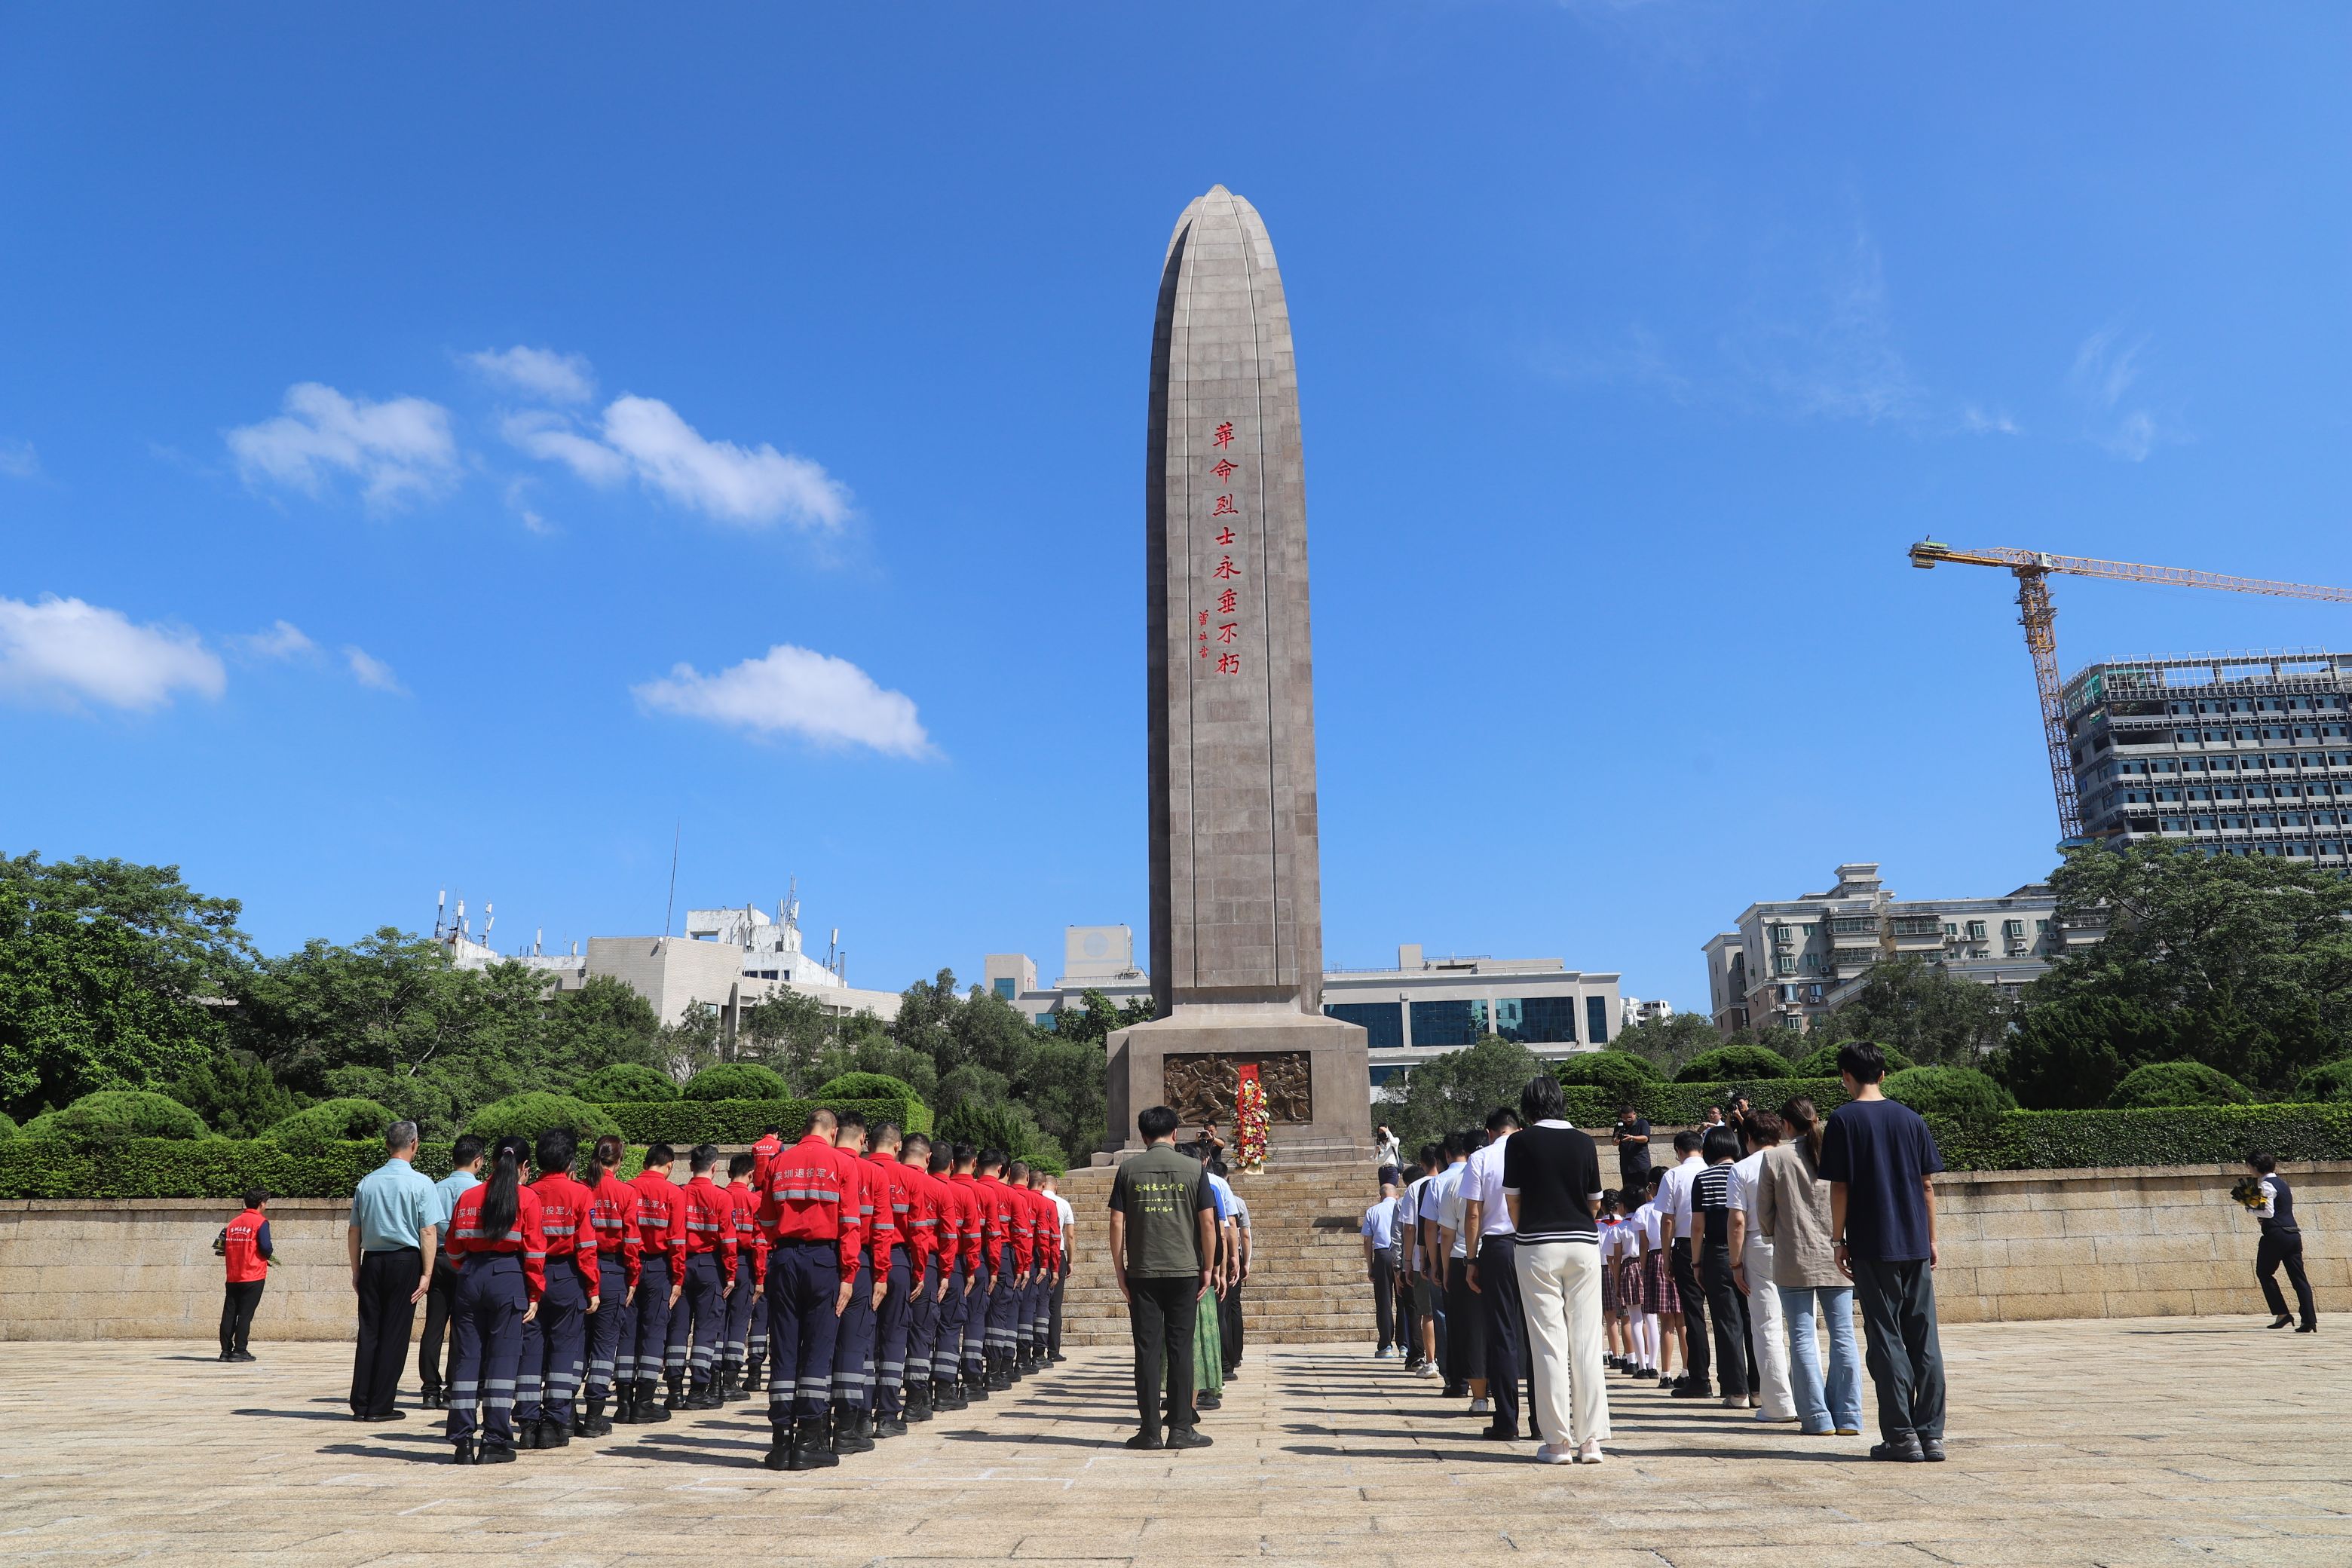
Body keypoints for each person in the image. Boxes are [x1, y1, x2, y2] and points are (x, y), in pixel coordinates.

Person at [1820, 1041, 1947, 1463]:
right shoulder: (1911, 1119)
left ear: (1846, 1076)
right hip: (1914, 1242)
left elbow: (1840, 1186)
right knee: (1924, 1337)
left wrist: (1838, 1240)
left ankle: (1900, 1435)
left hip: (1872, 1243)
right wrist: (1931, 1239)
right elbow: (1927, 1186)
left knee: (1885, 1337)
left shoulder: (1843, 1120)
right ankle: (1932, 1435)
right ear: (1884, 1074)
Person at [1504, 1073, 1609, 1465]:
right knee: (1586, 1341)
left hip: (1536, 1244)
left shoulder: (1519, 1142)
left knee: (1548, 1343)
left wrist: (1527, 1231)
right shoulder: (1584, 1142)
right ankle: (1591, 1441)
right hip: (1582, 1243)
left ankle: (1557, 1443)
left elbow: (1513, 1202)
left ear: (1529, 1106)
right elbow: (1595, 1201)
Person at [1107, 1104, 1217, 1451]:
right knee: (1181, 1349)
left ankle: (1150, 1431)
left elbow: (1116, 1222)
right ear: (1175, 1133)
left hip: (1143, 1271)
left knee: (1147, 1351)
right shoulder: (1195, 1169)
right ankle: (1181, 1428)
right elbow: (1208, 1222)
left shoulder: (1128, 1170)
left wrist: (1120, 1270)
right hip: (1184, 1270)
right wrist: (1208, 1267)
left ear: (1143, 1136)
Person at [760, 1107, 865, 1472]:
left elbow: (766, 1218)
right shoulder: (842, 1163)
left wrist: (784, 1241)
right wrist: (849, 1275)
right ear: (834, 1132)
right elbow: (850, 1224)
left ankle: (780, 1442)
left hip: (784, 1260)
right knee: (818, 1351)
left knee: (784, 1350)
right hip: (823, 1262)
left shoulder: (778, 1162)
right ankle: (808, 1439)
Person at [1758, 1095, 1862, 1438]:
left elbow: (1764, 1212)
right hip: (1838, 1255)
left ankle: (1817, 1417)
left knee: (1802, 1338)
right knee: (1843, 1336)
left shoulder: (1774, 1157)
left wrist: (1775, 1235)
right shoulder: (1837, 1151)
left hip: (1793, 1256)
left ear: (1786, 1125)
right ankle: (1848, 1414)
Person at [443, 1135, 546, 1464]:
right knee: (503, 1363)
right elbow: (535, 1252)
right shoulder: (526, 1198)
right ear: (524, 1166)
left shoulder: (469, 1196)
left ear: (493, 1161)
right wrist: (534, 1293)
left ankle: (462, 1442)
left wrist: (469, 1269)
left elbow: (453, 1247)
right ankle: (494, 1441)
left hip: (470, 1278)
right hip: (509, 1278)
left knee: (467, 1359)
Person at [348, 1120, 439, 1423]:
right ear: (414, 1144)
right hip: (405, 1261)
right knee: (395, 1334)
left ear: (387, 1145)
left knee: (369, 1332)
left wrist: (357, 1270)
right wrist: (427, 1274)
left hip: (372, 1260)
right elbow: (428, 1231)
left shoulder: (367, 1182)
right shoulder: (421, 1183)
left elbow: (354, 1231)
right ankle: (381, 1405)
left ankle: (361, 1402)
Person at [515, 1128, 599, 1448]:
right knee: (564, 1352)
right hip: (567, 1278)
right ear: (570, 1160)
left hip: (529, 1277)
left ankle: (527, 1425)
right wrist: (593, 1286)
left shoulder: (528, 1192)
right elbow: (586, 1247)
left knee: (530, 1351)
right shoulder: (580, 1194)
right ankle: (553, 1424)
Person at [1462, 1107, 1529, 1441]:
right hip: (1532, 1244)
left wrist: (1471, 1260)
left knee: (1502, 1334)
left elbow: (1473, 1213)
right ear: (1517, 1128)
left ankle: (1507, 1420)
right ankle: (1543, 1421)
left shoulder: (1481, 1158)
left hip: (1498, 1247)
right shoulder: (1530, 1151)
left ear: (1489, 1133)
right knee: (1536, 1334)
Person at [1727, 1113, 1796, 1423]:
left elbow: (1737, 1221)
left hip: (1758, 1244)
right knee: (1802, 1325)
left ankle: (1778, 1405)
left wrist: (1735, 1263)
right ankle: (1808, 1399)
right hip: (1795, 1241)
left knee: (1767, 1325)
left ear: (1748, 1138)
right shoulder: (1796, 1160)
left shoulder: (1741, 1169)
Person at [418, 1135, 485, 1408]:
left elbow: (427, 1227)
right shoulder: (481, 1191)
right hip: (466, 1261)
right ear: (478, 1161)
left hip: (437, 1259)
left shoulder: (435, 1188)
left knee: (433, 1326)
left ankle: (429, 1390)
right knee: (462, 1326)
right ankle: (453, 1389)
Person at [827, 1115, 882, 1450]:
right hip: (859, 1263)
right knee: (855, 1345)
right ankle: (850, 1424)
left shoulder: (822, 1165)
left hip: (817, 1259)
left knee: (817, 1346)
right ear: (863, 1139)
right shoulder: (873, 1172)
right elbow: (882, 1230)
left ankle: (815, 1425)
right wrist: (882, 1274)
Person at [622, 1143, 686, 1426]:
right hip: (659, 1268)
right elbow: (677, 1240)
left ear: (645, 1162)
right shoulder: (674, 1193)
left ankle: (623, 1403)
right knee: (654, 1333)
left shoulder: (628, 1188)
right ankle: (644, 1403)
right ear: (670, 1165)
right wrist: (678, 1278)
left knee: (627, 1333)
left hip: (629, 1267)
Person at [580, 1135, 641, 1434]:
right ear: (619, 1161)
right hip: (613, 1271)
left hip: (580, 1271)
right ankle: (594, 1416)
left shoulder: (582, 1188)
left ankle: (563, 1415)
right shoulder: (626, 1193)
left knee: (576, 1345)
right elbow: (632, 1241)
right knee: (605, 1346)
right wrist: (633, 1276)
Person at [1689, 1126, 1750, 1408]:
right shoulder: (1746, 1172)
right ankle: (1759, 1388)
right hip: (1748, 1250)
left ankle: (1737, 1391)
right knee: (1753, 1319)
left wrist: (1696, 1262)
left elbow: (1697, 1226)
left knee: (1727, 1322)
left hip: (1717, 1252)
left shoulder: (1703, 1178)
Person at [676, 1143, 739, 1411]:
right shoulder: (722, 1198)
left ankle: (674, 1390)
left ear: (691, 1166)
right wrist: (731, 1274)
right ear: (715, 1167)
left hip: (681, 1265)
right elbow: (728, 1240)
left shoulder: (679, 1194)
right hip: (710, 1266)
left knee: (678, 1328)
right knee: (706, 1329)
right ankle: (698, 1390)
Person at [866, 1123, 916, 1435]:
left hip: (859, 1260)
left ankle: (857, 1413)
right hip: (897, 1260)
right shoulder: (910, 1177)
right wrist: (920, 1271)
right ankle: (886, 1414)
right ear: (898, 1146)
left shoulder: (855, 1170)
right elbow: (919, 1231)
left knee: (860, 1337)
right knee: (894, 1337)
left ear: (868, 1143)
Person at [1427, 1132, 1484, 1403]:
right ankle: (1493, 1383)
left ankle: (1460, 1382)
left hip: (1459, 1256)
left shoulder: (1444, 1183)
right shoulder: (1496, 1176)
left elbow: (1435, 1228)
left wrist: (1439, 1265)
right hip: (1496, 1252)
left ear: (1447, 1155)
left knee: (1459, 1324)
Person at [1655, 1129, 1710, 1398]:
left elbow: (1667, 1220)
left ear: (1678, 1151)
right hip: (1717, 1244)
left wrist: (1666, 1257)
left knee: (1694, 1314)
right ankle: (1736, 1381)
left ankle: (1700, 1379)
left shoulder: (1673, 1176)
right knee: (1727, 1314)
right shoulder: (1713, 1171)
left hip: (1687, 1247)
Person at [2246, 1150, 2318, 1332]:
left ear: (2256, 1166)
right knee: (2299, 1278)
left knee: (2264, 1273)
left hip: (2276, 1235)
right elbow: (2285, 1211)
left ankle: (2282, 1313)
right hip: (2293, 1234)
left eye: (2249, 1166)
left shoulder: (2266, 1185)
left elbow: (2268, 1212)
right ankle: (2309, 1320)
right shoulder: (2283, 1184)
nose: (2249, 1170)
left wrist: (2250, 1209)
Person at [897, 1133, 942, 1417]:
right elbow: (947, 1236)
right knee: (921, 1333)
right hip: (924, 1265)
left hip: (883, 1263)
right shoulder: (936, 1187)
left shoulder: (884, 1178)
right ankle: (915, 1400)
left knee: (885, 1334)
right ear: (928, 1157)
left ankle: (875, 1402)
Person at [722, 1152, 769, 1401]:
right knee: (739, 1323)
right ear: (751, 1174)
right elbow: (760, 1243)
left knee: (718, 1323)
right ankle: (730, 1381)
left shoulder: (720, 1196)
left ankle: (714, 1380)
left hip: (719, 1264)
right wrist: (760, 1277)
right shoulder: (755, 1201)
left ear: (728, 1172)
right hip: (745, 1264)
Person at [216, 1188, 272, 1362]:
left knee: (229, 1313)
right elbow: (266, 1247)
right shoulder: (261, 1222)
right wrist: (268, 1255)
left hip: (233, 1275)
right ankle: (240, 1350)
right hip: (253, 1275)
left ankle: (225, 1351)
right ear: (261, 1203)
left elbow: (220, 1247)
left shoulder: (233, 1223)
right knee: (245, 1314)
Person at [1361, 1181, 1404, 1356]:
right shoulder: (1402, 1208)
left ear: (1381, 1197)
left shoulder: (1373, 1211)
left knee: (1384, 1301)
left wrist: (1370, 1267)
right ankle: (1405, 1344)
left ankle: (1386, 1345)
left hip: (1382, 1255)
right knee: (1404, 1300)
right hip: (1401, 1253)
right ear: (1397, 1196)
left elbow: (1367, 1241)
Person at [1043, 1171, 1076, 1361]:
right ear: (1055, 1186)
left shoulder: (1034, 1199)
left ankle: (1033, 1352)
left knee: (1037, 1304)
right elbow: (1070, 1236)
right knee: (1055, 1306)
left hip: (1037, 1255)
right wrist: (1070, 1261)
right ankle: (1053, 1351)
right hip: (1058, 1254)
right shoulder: (1063, 1204)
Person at [1612, 1107, 1652, 1198]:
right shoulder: (1620, 1125)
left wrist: (1632, 1138)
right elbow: (1614, 1142)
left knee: (1646, 1190)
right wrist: (1617, 1139)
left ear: (1634, 1114)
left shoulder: (1642, 1123)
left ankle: (1651, 1206)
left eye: (1629, 1118)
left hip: (1640, 1164)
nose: (1627, 1120)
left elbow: (1645, 1138)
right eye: (1624, 1118)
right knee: (1628, 1192)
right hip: (1626, 1166)